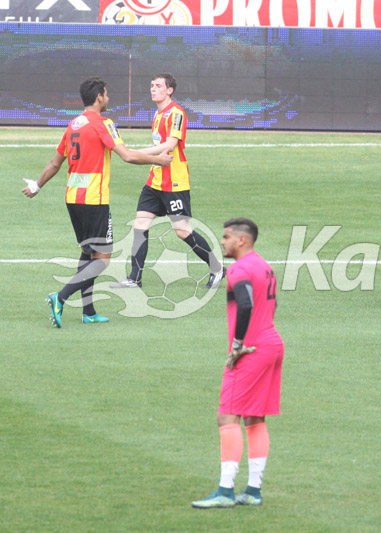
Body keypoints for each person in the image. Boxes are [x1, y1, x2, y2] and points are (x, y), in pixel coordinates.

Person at [21, 77, 172, 327]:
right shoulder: (104, 124)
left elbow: (55, 163)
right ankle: (60, 297)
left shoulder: (73, 125)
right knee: (102, 259)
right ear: (99, 97)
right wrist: (159, 161)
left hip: (73, 199)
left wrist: (36, 185)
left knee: (87, 253)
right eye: (106, 94)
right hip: (94, 200)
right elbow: (126, 156)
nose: (108, 98)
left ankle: (88, 311)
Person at [192, 218, 284, 509]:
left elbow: (245, 303)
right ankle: (253, 491)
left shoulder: (239, 269)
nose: (222, 241)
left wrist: (238, 344)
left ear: (242, 240)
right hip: (271, 343)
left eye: (226, 237)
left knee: (227, 417)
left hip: (250, 349)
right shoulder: (264, 266)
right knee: (255, 418)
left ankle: (225, 491)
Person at [111, 73, 224, 290]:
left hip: (174, 182)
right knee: (140, 224)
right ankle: (135, 278)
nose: (153, 89)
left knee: (182, 230)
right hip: (155, 180)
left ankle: (217, 269)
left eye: (158, 86)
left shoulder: (176, 113)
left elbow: (170, 145)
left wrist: (135, 153)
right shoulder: (158, 114)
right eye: (151, 85)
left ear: (169, 90)